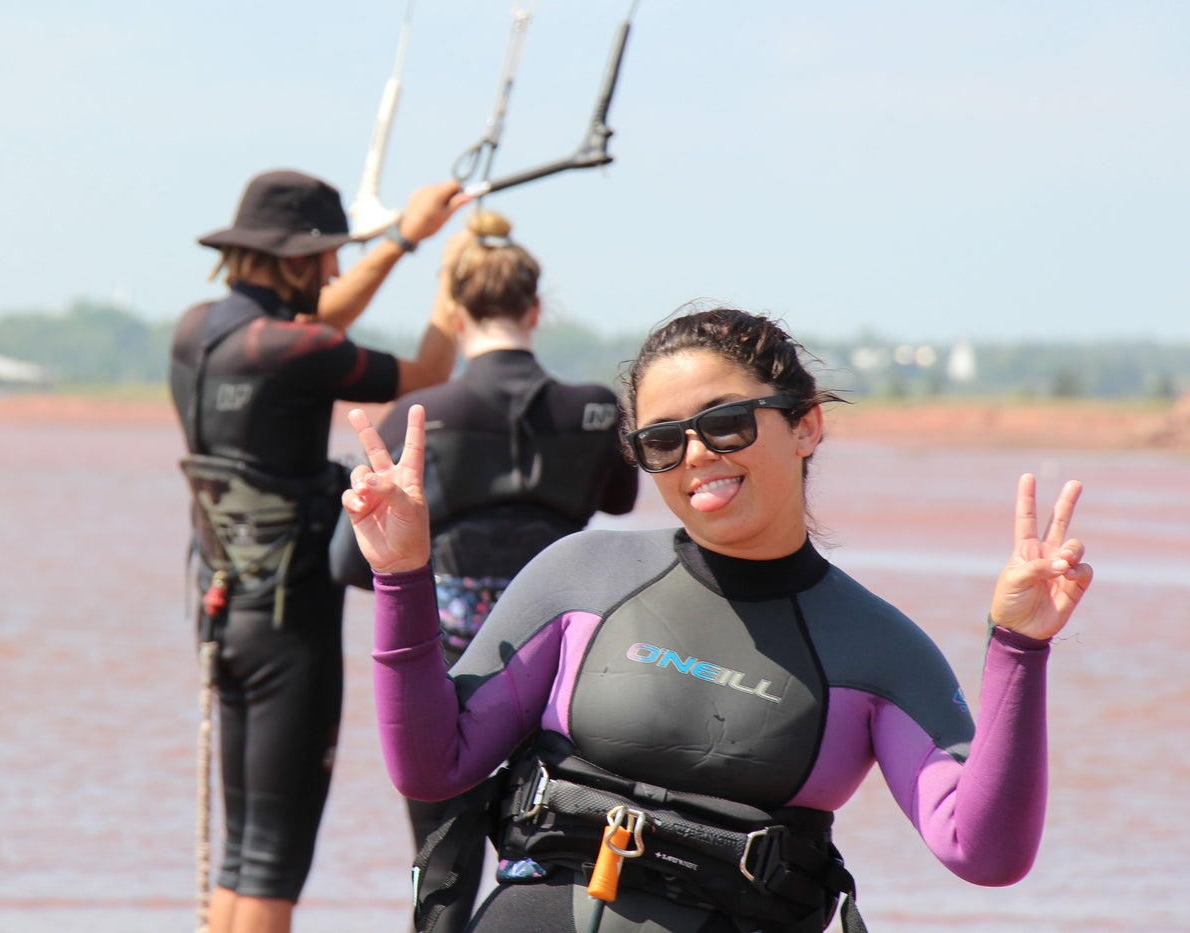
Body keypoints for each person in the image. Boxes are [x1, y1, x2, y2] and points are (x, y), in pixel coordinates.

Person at [339, 304, 1093, 933]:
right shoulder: (580, 574)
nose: (695, 453)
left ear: (806, 426)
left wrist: (1019, 647)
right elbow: (433, 765)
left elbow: (985, 851)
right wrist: (403, 573)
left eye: (725, 422)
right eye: (662, 440)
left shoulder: (877, 647)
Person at [169, 168, 471, 933]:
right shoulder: (297, 347)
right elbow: (430, 373)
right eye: (327, 254)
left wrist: (402, 237)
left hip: (222, 609)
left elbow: (312, 327)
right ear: (294, 258)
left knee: (242, 852)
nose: (336, 268)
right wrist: (445, 271)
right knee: (275, 861)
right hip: (288, 624)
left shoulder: (199, 330)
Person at [329, 210, 639, 931]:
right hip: (569, 676)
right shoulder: (594, 408)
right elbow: (619, 502)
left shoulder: (419, 414)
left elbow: (350, 561)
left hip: (451, 678)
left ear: (457, 313)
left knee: (442, 872)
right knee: (567, 868)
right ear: (535, 310)